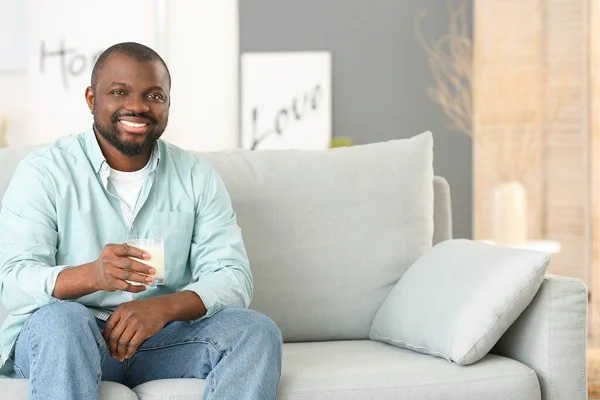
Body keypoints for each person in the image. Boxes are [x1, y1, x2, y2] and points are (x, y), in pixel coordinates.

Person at [0, 42, 282, 400]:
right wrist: (92, 275)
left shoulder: (196, 176)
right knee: (63, 322)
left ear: (167, 104)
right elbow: (14, 279)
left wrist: (162, 308)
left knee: (255, 330)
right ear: (91, 99)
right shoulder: (44, 173)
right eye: (119, 92)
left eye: (154, 95)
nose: (137, 106)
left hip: (159, 338)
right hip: (68, 339)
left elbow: (233, 276)